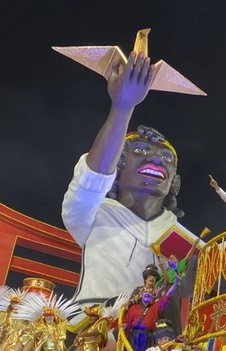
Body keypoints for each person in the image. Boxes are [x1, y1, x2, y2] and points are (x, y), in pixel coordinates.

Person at [61, 51, 198, 327]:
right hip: (93, 328)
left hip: (161, 344)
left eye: (167, 158)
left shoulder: (185, 241)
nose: (157, 159)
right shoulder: (91, 213)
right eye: (141, 150)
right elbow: (95, 175)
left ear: (175, 183)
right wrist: (122, 107)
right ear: (117, 167)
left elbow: (225, 274)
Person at [121, 260, 181, 351]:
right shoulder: (136, 296)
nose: (148, 293)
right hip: (134, 335)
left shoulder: (157, 299)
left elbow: (167, 291)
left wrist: (176, 281)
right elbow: (126, 322)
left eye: (153, 277)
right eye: (149, 276)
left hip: (149, 334)